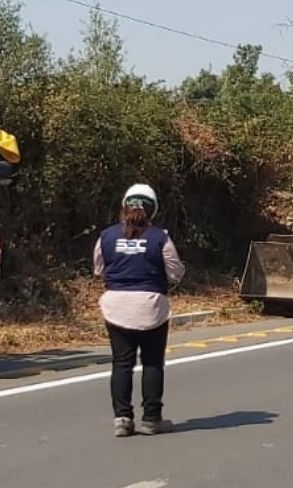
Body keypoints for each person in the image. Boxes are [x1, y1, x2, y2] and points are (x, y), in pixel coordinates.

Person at [93, 183, 185, 437]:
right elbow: (175, 271)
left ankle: (122, 419)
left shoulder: (107, 236)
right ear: (152, 210)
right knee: (152, 363)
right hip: (151, 307)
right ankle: (152, 419)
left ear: (124, 207)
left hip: (116, 307)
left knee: (121, 363)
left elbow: (99, 268)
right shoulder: (160, 237)